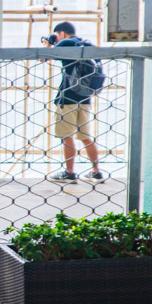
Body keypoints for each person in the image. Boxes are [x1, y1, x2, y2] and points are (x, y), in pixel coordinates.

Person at [42, 21, 104, 184]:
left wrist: (47, 44)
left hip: (67, 98)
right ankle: (96, 172)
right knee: (85, 137)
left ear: (61, 33)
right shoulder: (84, 44)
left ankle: (69, 172)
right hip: (84, 98)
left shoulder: (65, 43)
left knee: (66, 136)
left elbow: (43, 57)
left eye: (56, 35)